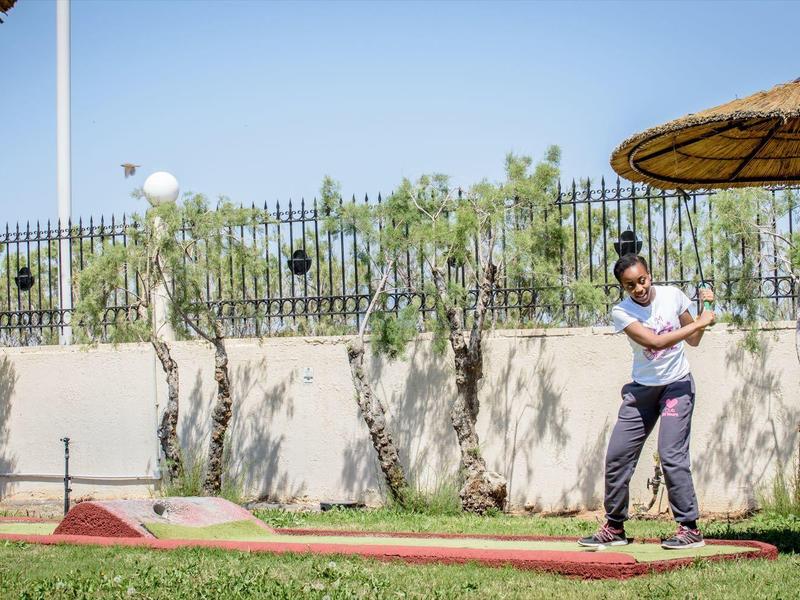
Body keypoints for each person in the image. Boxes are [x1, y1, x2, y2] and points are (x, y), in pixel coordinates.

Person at [578, 253, 715, 550]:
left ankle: (689, 528)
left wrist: (704, 310)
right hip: (642, 390)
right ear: (623, 287)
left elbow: (694, 340)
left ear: (649, 275)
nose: (638, 288)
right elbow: (654, 342)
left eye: (642, 280)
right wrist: (700, 322)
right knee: (617, 455)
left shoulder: (673, 296)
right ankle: (614, 527)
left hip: (677, 386)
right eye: (630, 285)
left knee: (671, 454)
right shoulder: (622, 312)